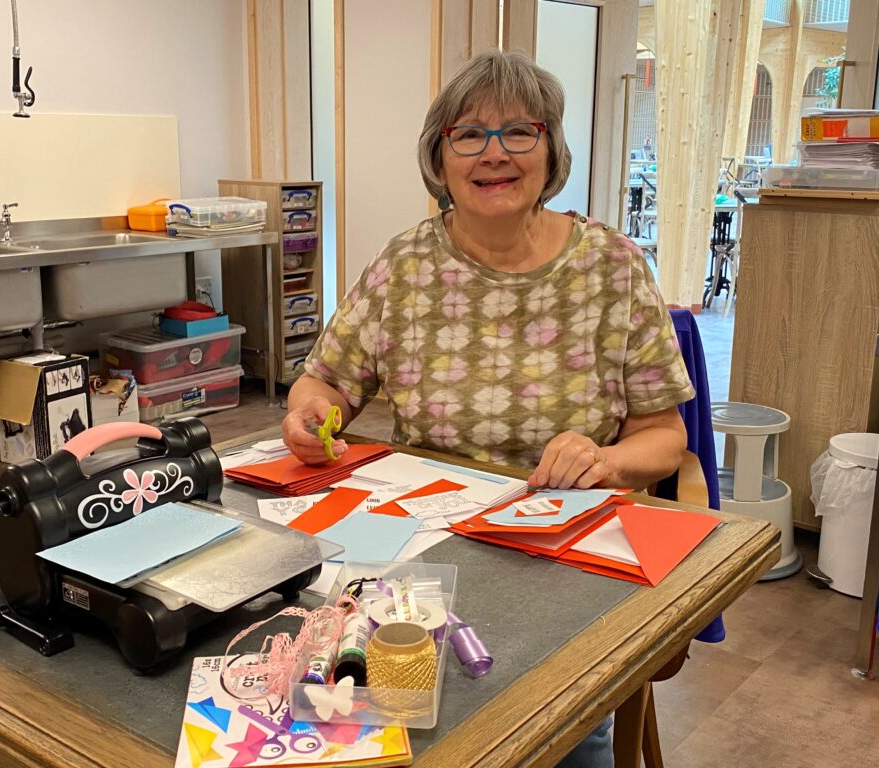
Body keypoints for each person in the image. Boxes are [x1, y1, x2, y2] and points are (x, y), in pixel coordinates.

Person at [282, 50, 693, 767]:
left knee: (552, 725)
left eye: (518, 132)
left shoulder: (614, 267)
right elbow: (325, 384)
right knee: (374, 708)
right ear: (440, 159)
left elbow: (665, 439)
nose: (493, 153)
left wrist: (606, 458)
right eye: (468, 134)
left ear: (551, 149)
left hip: (563, 547)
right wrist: (312, 417)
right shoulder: (404, 264)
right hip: (422, 551)